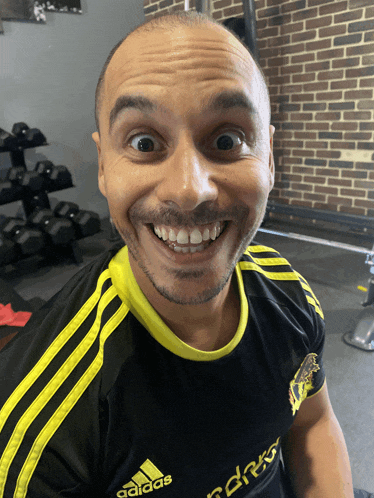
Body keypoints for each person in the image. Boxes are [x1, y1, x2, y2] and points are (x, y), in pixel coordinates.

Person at [0, 9, 366, 498]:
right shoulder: (43, 422)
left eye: (227, 140)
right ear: (105, 165)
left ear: (270, 158)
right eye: (145, 142)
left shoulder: (290, 297)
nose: (190, 191)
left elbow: (313, 425)